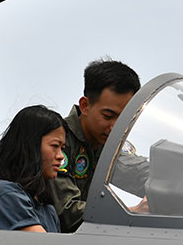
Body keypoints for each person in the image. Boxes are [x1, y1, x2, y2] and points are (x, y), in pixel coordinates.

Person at [50, 58, 141, 233]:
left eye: (124, 119)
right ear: (85, 105)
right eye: (108, 116)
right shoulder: (57, 142)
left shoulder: (112, 146)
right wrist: (131, 212)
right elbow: (67, 211)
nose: (115, 127)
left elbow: (139, 173)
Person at [0, 105, 66, 232]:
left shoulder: (48, 210)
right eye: (55, 146)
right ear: (29, 146)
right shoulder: (3, 194)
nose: (61, 156)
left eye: (62, 148)